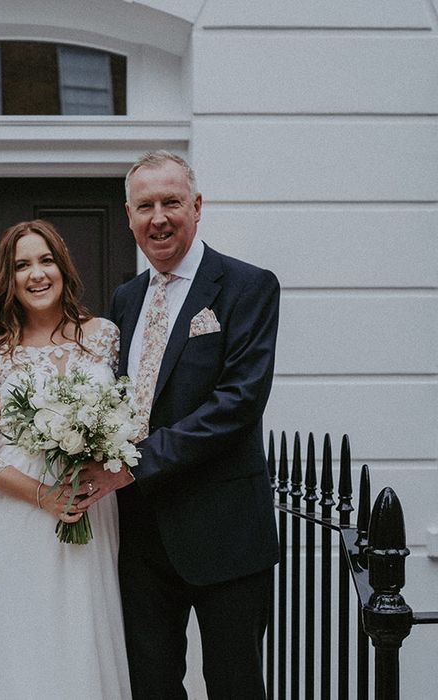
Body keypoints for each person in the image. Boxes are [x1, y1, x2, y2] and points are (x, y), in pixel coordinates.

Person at [77, 150, 280, 699]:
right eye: (146, 206)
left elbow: (237, 403)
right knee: (151, 685)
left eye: (172, 202)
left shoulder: (248, 286)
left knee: (234, 685)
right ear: (128, 216)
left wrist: (132, 464)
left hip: (225, 533)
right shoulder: (126, 298)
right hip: (141, 536)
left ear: (197, 206)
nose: (159, 217)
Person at [0, 220, 132, 699]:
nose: (36, 274)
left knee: (82, 631)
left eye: (45, 260)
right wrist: (44, 497)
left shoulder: (103, 337)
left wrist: (107, 459)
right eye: (22, 265)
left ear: (62, 266)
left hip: (88, 508)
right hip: (20, 516)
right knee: (22, 641)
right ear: (7, 279)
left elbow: (128, 417)